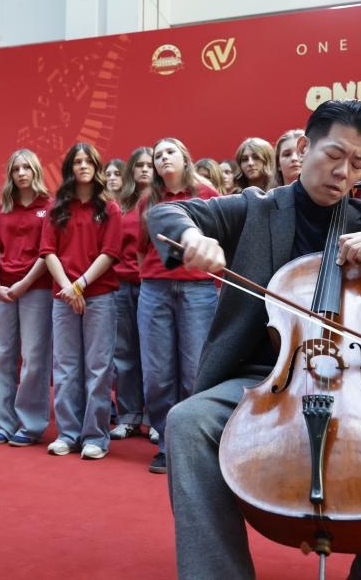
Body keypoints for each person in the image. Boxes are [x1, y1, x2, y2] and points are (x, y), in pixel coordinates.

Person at [148, 99, 361, 579]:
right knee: (188, 422)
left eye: (357, 164)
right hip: (264, 380)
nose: (343, 172)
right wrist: (192, 237)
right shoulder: (255, 208)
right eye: (334, 155)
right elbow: (170, 213)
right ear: (304, 147)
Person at [138, 137, 220, 473]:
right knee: (156, 373)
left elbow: (219, 241)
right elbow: (142, 248)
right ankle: (165, 442)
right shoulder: (149, 200)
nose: (163, 159)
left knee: (194, 371)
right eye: (157, 156)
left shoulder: (207, 194)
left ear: (185, 158)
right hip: (154, 289)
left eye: (170, 152)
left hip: (198, 290)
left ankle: (192, 443)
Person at [40, 142, 121, 459]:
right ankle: (68, 434)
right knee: (65, 368)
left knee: (98, 368)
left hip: (99, 296)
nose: (83, 166)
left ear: (96, 167)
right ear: (70, 168)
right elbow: (48, 251)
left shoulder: (109, 208)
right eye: (77, 161)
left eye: (88, 161)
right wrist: (68, 288)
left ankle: (95, 437)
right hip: (64, 297)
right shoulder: (57, 207)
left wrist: (80, 285)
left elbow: (109, 253)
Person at [0, 149, 53, 447]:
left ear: (36, 170)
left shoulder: (49, 207)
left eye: (26, 167)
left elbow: (48, 252)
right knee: (0, 356)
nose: (21, 173)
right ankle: (2, 423)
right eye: (16, 169)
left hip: (36, 288)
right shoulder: (3, 208)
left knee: (34, 358)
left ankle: (31, 425)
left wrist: (24, 284)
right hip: (2, 290)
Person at [110, 146, 153, 439]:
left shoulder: (164, 200)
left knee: (155, 355)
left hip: (154, 285)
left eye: (150, 164)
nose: (145, 169)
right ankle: (128, 416)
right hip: (121, 284)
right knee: (124, 353)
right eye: (139, 165)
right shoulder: (122, 204)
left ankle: (155, 418)